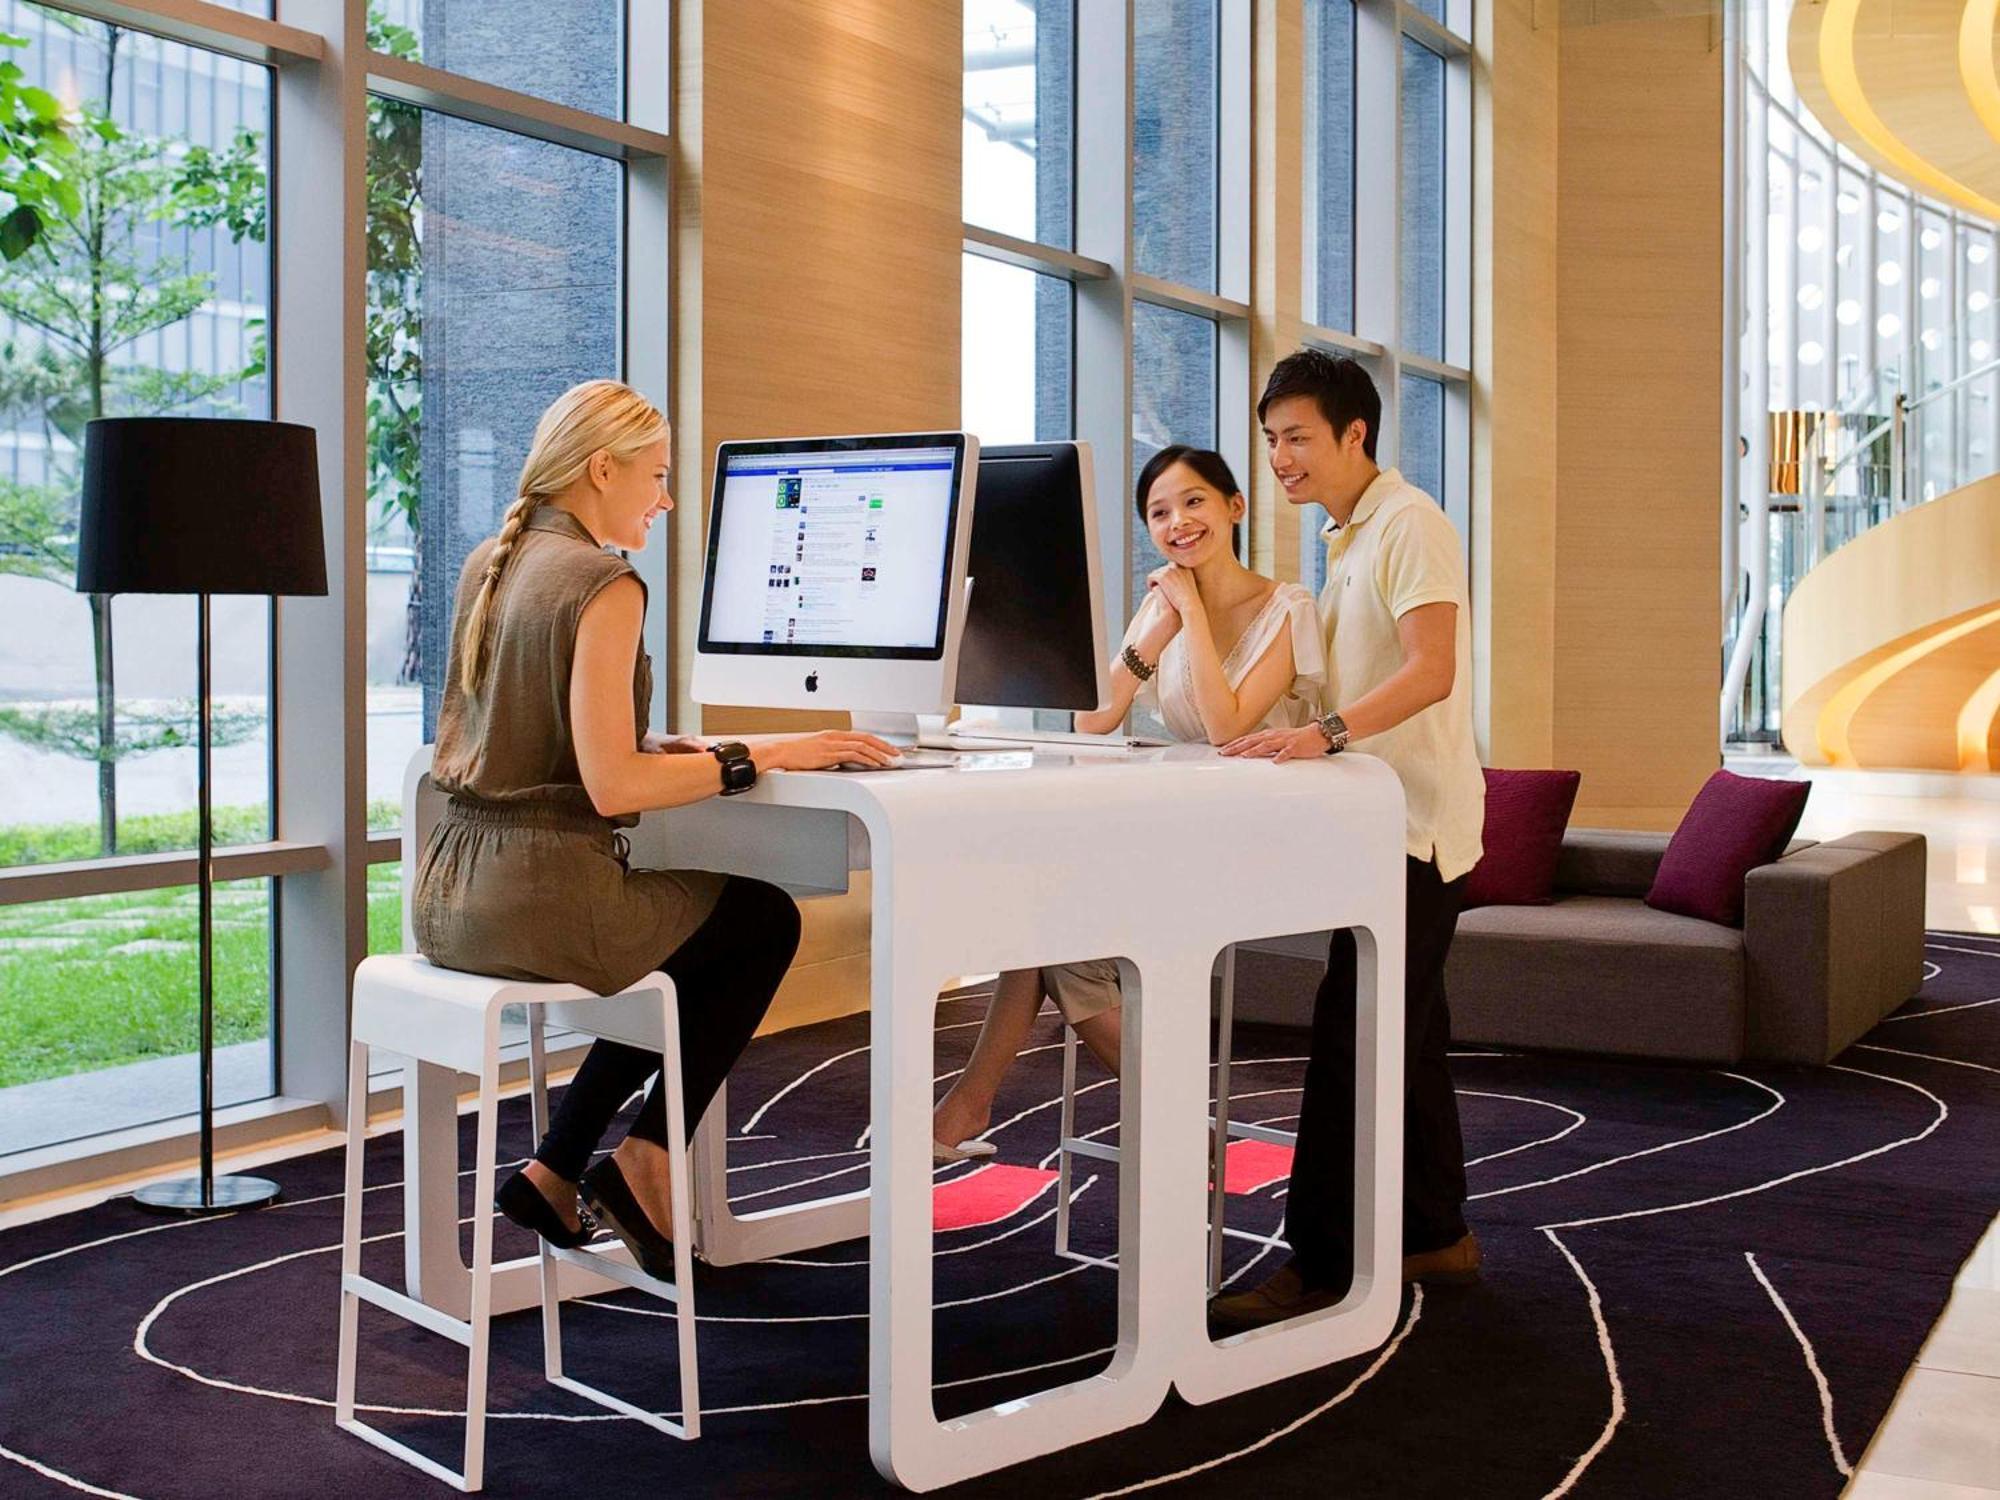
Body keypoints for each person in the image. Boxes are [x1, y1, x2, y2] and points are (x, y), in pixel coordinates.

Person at [413, 378, 899, 1277]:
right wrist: (762, 759)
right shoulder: (604, 581)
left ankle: (558, 1168)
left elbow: (543, 733)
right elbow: (610, 787)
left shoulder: (495, 559)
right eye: (659, 476)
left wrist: (683, 745)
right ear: (603, 469)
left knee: (691, 943)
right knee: (759, 922)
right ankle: (642, 1160)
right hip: (541, 896)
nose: (668, 500)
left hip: (450, 894)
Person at [929, 445, 1326, 1162]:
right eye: (1159, 512)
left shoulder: (1288, 606)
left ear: (1235, 507)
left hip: (1266, 836)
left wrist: (1193, 618)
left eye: (1195, 501)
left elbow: (1228, 727)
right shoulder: (1164, 604)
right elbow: (1094, 716)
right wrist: (1161, 627)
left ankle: (981, 1110)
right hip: (1184, 828)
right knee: (1040, 923)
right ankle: (968, 1111)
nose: (1179, 522)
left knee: (1047, 930)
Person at [1210, 350, 1487, 1330]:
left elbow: (1433, 668)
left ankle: (1318, 1263)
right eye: (1270, 439)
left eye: (1296, 437)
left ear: (1352, 435)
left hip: (1413, 827)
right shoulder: (1348, 539)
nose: (1278, 458)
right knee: (1405, 1039)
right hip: (1373, 822)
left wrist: (1322, 733)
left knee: (1347, 1041)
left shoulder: (1408, 525)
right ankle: (1436, 1234)